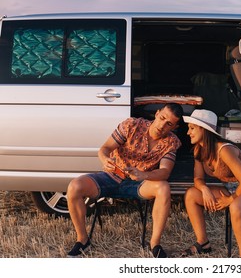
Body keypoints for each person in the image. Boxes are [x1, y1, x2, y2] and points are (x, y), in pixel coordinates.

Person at [66, 103, 183, 258]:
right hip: (111, 176)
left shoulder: (171, 142)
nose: (162, 125)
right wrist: (105, 159)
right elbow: (105, 148)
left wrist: (143, 175)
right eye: (162, 118)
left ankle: (155, 244)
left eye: (169, 124)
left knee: (163, 188)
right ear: (156, 114)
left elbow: (165, 172)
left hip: (139, 184)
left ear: (174, 127)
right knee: (75, 186)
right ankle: (82, 239)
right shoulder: (132, 125)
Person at [182, 109, 241, 258]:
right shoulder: (199, 150)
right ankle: (203, 243)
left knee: (236, 206)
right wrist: (204, 189)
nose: (188, 133)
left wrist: (230, 200)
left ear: (204, 130)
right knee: (191, 194)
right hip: (232, 189)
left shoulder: (224, 150)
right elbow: (198, 179)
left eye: (192, 128)